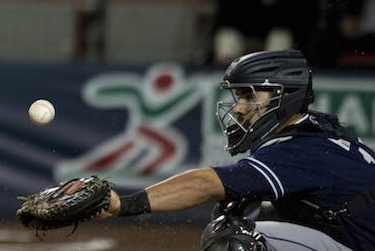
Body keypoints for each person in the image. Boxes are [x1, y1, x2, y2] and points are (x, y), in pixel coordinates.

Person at [95, 50, 375, 251]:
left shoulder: (299, 149)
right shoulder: (313, 131)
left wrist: (124, 204)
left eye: (250, 95)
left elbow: (206, 184)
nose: (240, 107)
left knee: (233, 238)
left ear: (284, 96)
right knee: (245, 208)